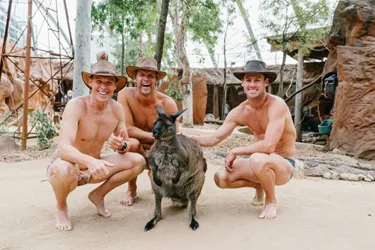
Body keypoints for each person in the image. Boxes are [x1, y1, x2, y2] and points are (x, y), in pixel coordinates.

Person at [47, 59, 146, 231]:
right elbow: (63, 148)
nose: (103, 87)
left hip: (96, 167)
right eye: (98, 81)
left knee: (138, 161)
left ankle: (98, 195)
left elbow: (126, 142)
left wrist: (121, 145)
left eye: (108, 82)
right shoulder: (76, 106)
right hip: (69, 166)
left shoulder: (116, 109)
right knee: (64, 170)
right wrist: (90, 162)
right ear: (90, 82)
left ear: (115, 86)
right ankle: (61, 207)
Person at [192, 60, 296, 219]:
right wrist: (183, 138)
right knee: (221, 178)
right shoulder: (240, 111)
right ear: (242, 82)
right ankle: (260, 186)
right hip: (259, 162)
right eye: (248, 80)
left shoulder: (277, 105)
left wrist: (236, 151)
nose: (252, 85)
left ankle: (270, 201)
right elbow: (214, 138)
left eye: (257, 80)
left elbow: (268, 146)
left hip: (283, 164)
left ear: (265, 82)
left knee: (257, 159)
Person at [117, 57, 178, 205]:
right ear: (135, 78)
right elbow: (127, 129)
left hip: (160, 148)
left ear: (156, 79)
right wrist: (155, 136)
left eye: (150, 76)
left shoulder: (168, 103)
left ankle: (169, 183)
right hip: (136, 145)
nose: (146, 79)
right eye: (142, 75)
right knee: (131, 143)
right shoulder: (125, 95)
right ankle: (131, 189)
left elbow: (174, 136)